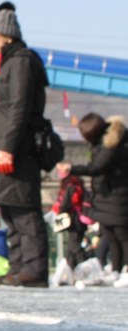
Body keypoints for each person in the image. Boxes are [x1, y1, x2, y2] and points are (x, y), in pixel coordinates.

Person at [0, 2, 50, 288]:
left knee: (25, 211)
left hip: (18, 152)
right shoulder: (9, 65)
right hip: (6, 148)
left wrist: (7, 147)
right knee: (10, 211)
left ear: (6, 34)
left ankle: (35, 269)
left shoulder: (21, 62)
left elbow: (19, 107)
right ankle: (19, 267)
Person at [58, 113, 128, 280]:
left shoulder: (112, 143)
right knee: (110, 236)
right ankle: (116, 270)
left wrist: (72, 169)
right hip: (106, 196)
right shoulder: (102, 143)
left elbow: (97, 167)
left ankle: (123, 269)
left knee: (123, 235)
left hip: (118, 196)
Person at [51, 167, 88, 272]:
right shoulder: (79, 186)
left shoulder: (70, 187)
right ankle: (70, 269)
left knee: (74, 245)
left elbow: (65, 204)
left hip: (73, 219)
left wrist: (59, 211)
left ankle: (83, 268)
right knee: (72, 246)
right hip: (80, 219)